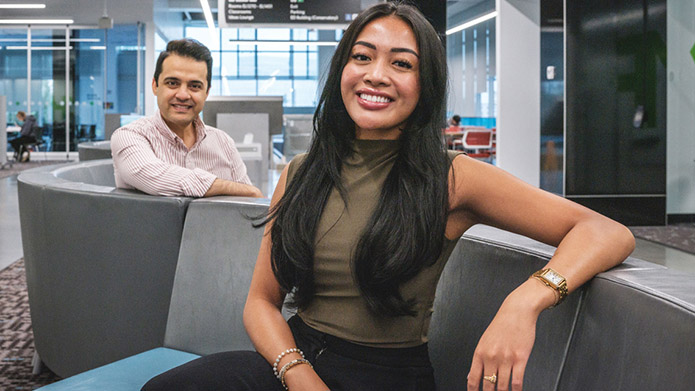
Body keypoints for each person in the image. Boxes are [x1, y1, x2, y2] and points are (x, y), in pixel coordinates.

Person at [142, 3, 634, 391]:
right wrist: (298, 375)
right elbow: (261, 302)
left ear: (425, 84)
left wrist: (525, 302)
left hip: (387, 374)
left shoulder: (452, 177)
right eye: (362, 56)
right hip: (294, 361)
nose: (376, 74)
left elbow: (605, 231)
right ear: (343, 69)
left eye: (401, 63)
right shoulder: (300, 172)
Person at [111, 38, 262, 198]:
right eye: (172, 83)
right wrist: (235, 188)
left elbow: (248, 203)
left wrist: (246, 192)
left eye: (195, 86)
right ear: (155, 86)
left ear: (207, 92)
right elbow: (155, 178)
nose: (183, 95)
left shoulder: (223, 142)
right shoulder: (129, 136)